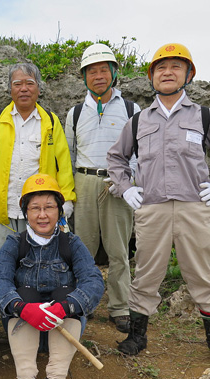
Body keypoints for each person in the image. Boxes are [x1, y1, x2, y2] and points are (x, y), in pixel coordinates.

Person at [107, 43, 210, 365]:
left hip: (194, 208)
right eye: (160, 67)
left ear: (188, 74)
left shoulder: (203, 116)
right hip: (152, 209)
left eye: (175, 66)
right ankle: (137, 337)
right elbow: (116, 157)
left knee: (203, 275)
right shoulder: (139, 120)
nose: (167, 72)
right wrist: (126, 187)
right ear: (151, 77)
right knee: (145, 274)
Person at [0, 174, 104, 379]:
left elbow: (93, 282)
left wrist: (64, 307)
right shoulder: (13, 244)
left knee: (68, 295)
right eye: (35, 208)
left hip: (62, 326)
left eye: (49, 207)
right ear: (25, 213)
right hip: (24, 327)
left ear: (59, 211)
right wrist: (22, 308)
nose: (42, 215)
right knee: (24, 295)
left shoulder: (71, 243)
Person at [65, 43, 140, 333]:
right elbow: (69, 156)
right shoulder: (74, 113)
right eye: (92, 71)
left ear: (114, 73)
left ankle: (120, 307)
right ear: (84, 76)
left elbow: (138, 151)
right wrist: (68, 195)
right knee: (82, 249)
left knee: (119, 250)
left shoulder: (131, 109)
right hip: (83, 182)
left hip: (118, 183)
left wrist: (128, 181)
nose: (98, 76)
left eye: (103, 70)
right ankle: (83, 302)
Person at [0, 63, 76, 258]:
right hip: (3, 205)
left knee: (38, 257)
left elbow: (63, 164)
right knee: (0, 256)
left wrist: (67, 198)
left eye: (29, 83)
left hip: (39, 208)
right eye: (17, 83)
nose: (24, 89)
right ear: (10, 89)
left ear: (38, 88)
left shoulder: (51, 122)